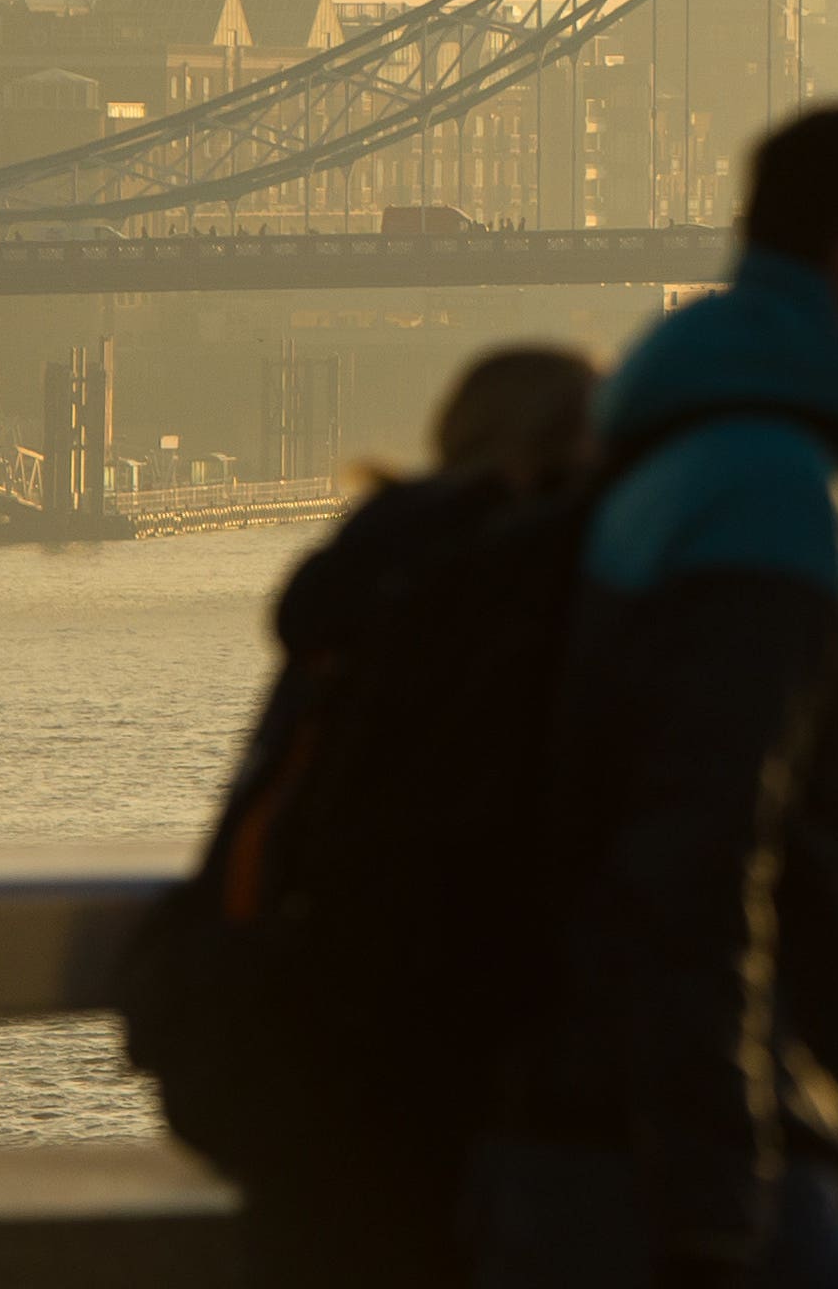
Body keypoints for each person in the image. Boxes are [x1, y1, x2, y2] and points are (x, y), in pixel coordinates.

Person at [478, 105, 838, 1289]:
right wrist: (718, 1208)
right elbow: (694, 866)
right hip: (665, 1164)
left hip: (611, 1138)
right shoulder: (766, 495)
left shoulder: (707, 456)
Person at [173, 346, 603, 1289]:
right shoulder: (515, 593)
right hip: (448, 1085)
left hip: (296, 1059)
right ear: (557, 454)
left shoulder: (364, 575)